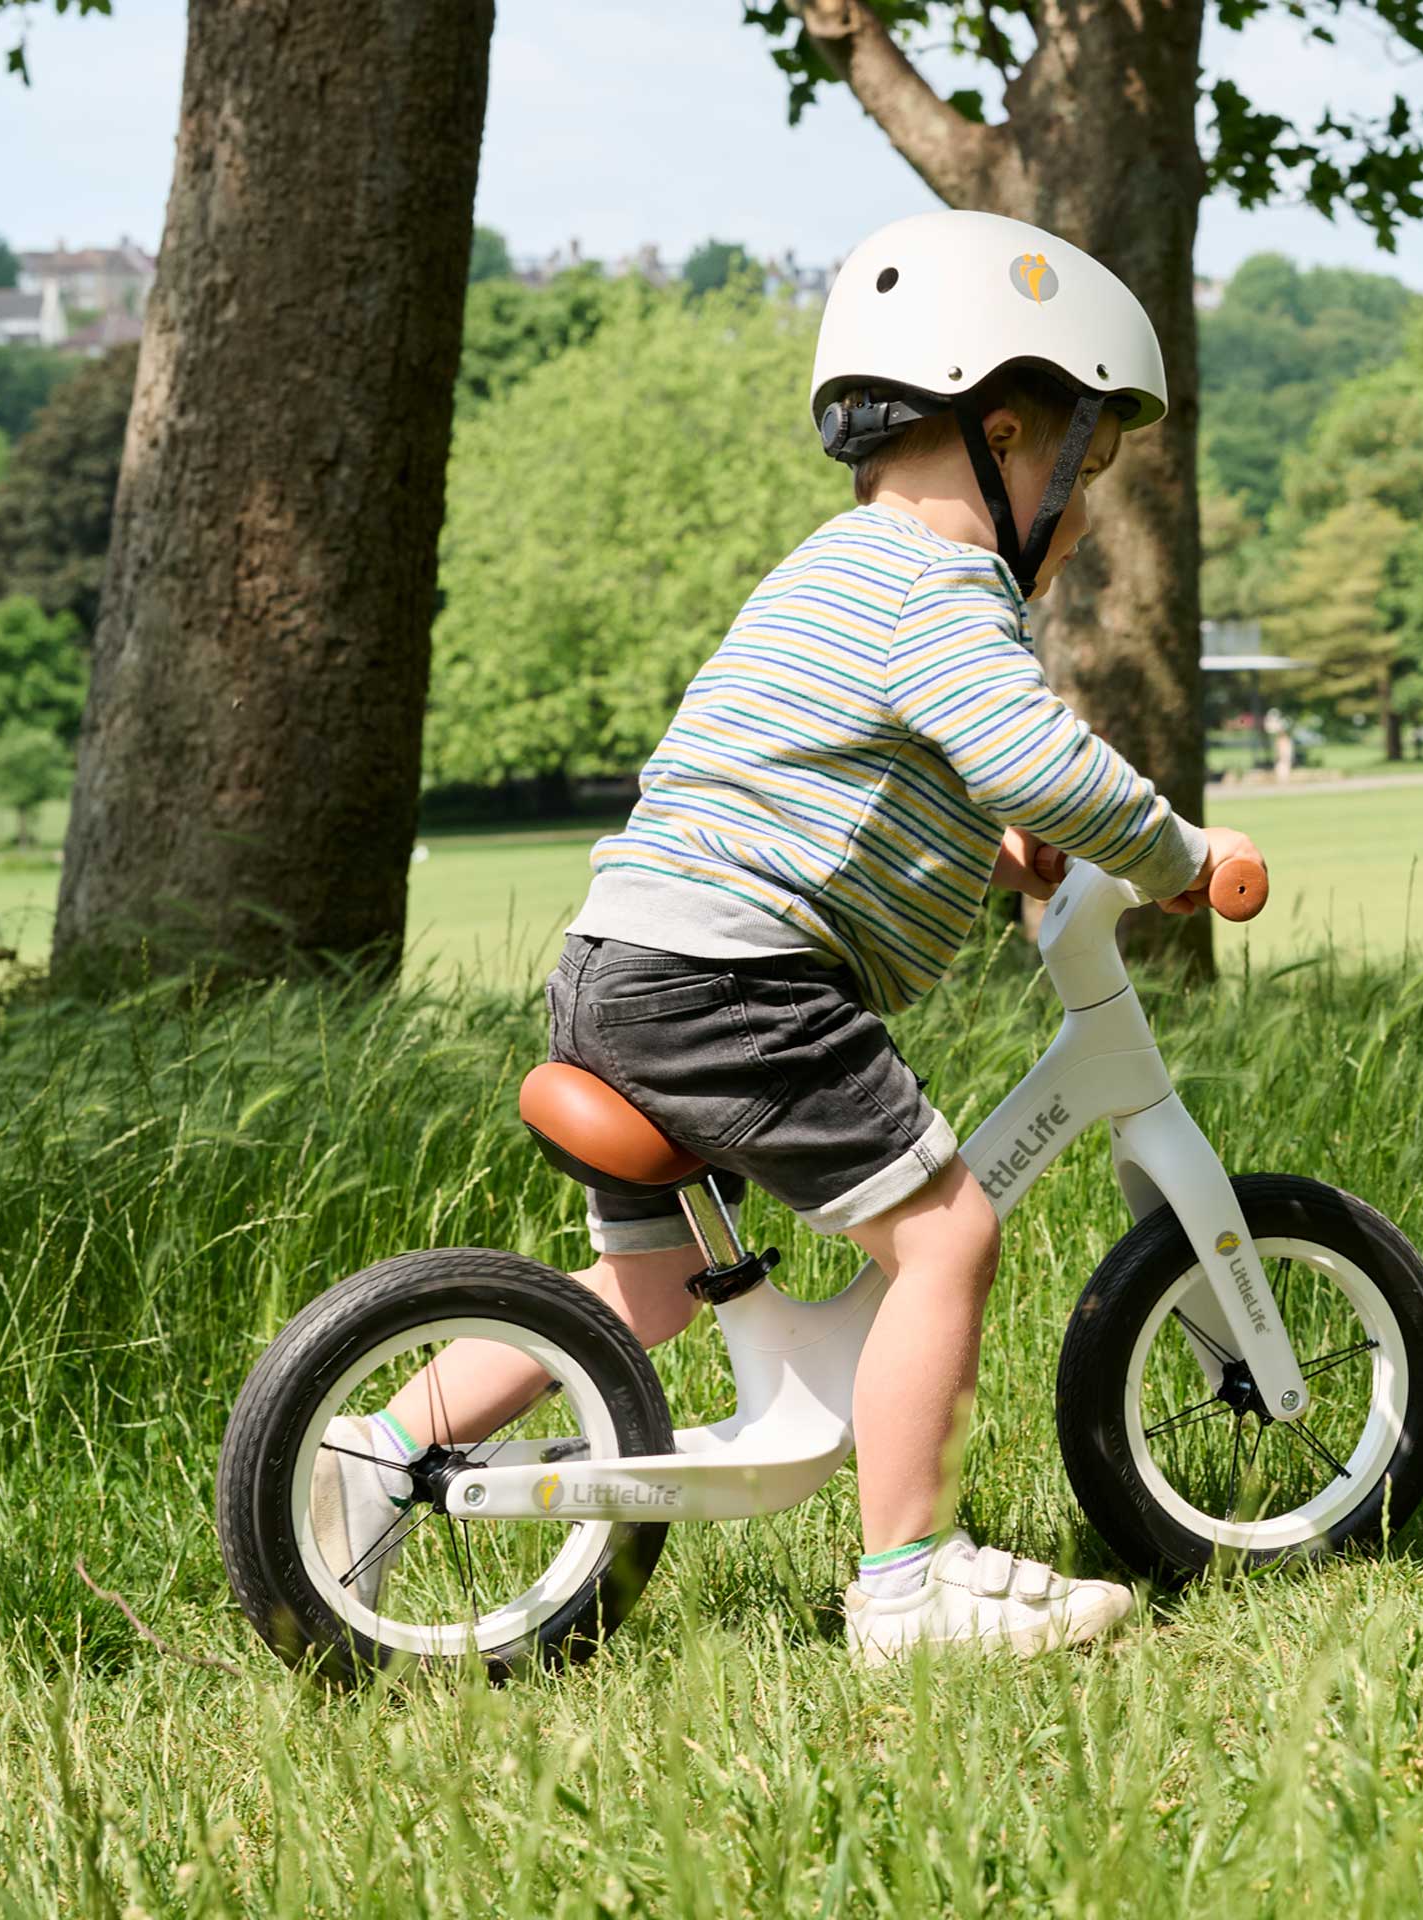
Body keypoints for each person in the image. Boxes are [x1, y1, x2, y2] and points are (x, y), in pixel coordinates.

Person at [314, 209, 1264, 1663]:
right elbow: (1040, 761)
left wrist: (992, 849)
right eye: (1087, 477)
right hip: (730, 986)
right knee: (948, 1231)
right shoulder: (938, 588)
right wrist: (1184, 855)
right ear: (1009, 433)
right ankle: (909, 1582)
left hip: (620, 967)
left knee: (642, 1291)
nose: (1079, 527)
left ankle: (377, 1453)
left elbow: (836, 771)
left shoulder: (832, 571)